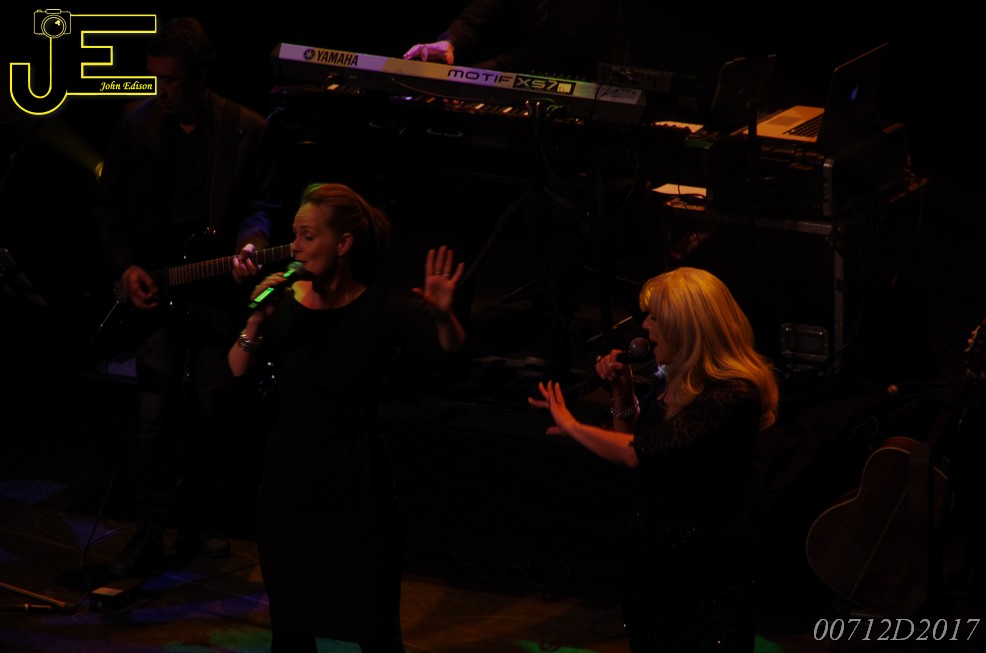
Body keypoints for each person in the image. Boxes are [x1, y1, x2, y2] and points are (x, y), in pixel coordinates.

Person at [228, 183, 466, 652]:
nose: (295, 247)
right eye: (294, 235)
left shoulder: (382, 308)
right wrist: (255, 320)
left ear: (344, 243)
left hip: (356, 489)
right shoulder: (283, 302)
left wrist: (443, 317)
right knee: (290, 628)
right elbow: (236, 370)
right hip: (288, 489)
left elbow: (448, 363)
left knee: (374, 629)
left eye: (308, 236)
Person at [93, 17, 281, 576]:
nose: (160, 91)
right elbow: (108, 205)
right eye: (155, 79)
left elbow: (263, 206)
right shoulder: (136, 123)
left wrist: (252, 243)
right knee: (154, 415)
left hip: (217, 292)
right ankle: (148, 531)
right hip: (158, 291)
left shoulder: (246, 129)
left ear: (199, 76)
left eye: (170, 81)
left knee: (212, 409)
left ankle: (200, 521)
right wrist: (125, 266)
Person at [528, 266, 779, 651]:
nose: (645, 326)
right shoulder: (672, 379)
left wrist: (573, 425)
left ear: (686, 327)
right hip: (653, 560)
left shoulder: (732, 395)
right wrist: (621, 393)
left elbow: (639, 453)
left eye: (656, 318)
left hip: (704, 570)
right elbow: (636, 437)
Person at [403, 1, 640, 365]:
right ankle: (449, 327)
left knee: (565, 205)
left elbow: (559, 44)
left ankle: (556, 329)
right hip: (527, 107)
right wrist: (450, 42)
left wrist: (477, 74)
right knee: (466, 189)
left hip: (590, 114)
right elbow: (484, 10)